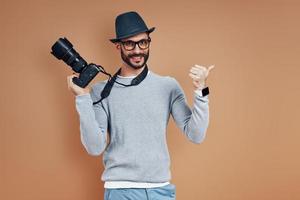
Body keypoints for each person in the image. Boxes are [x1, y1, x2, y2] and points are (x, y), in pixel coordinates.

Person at [67, 11, 214, 200]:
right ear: (118, 46)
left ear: (149, 42)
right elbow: (95, 147)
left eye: (143, 42)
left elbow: (196, 135)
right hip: (120, 190)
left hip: (161, 190)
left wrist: (202, 90)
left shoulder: (168, 86)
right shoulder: (100, 91)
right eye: (130, 43)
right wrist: (82, 98)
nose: (137, 50)